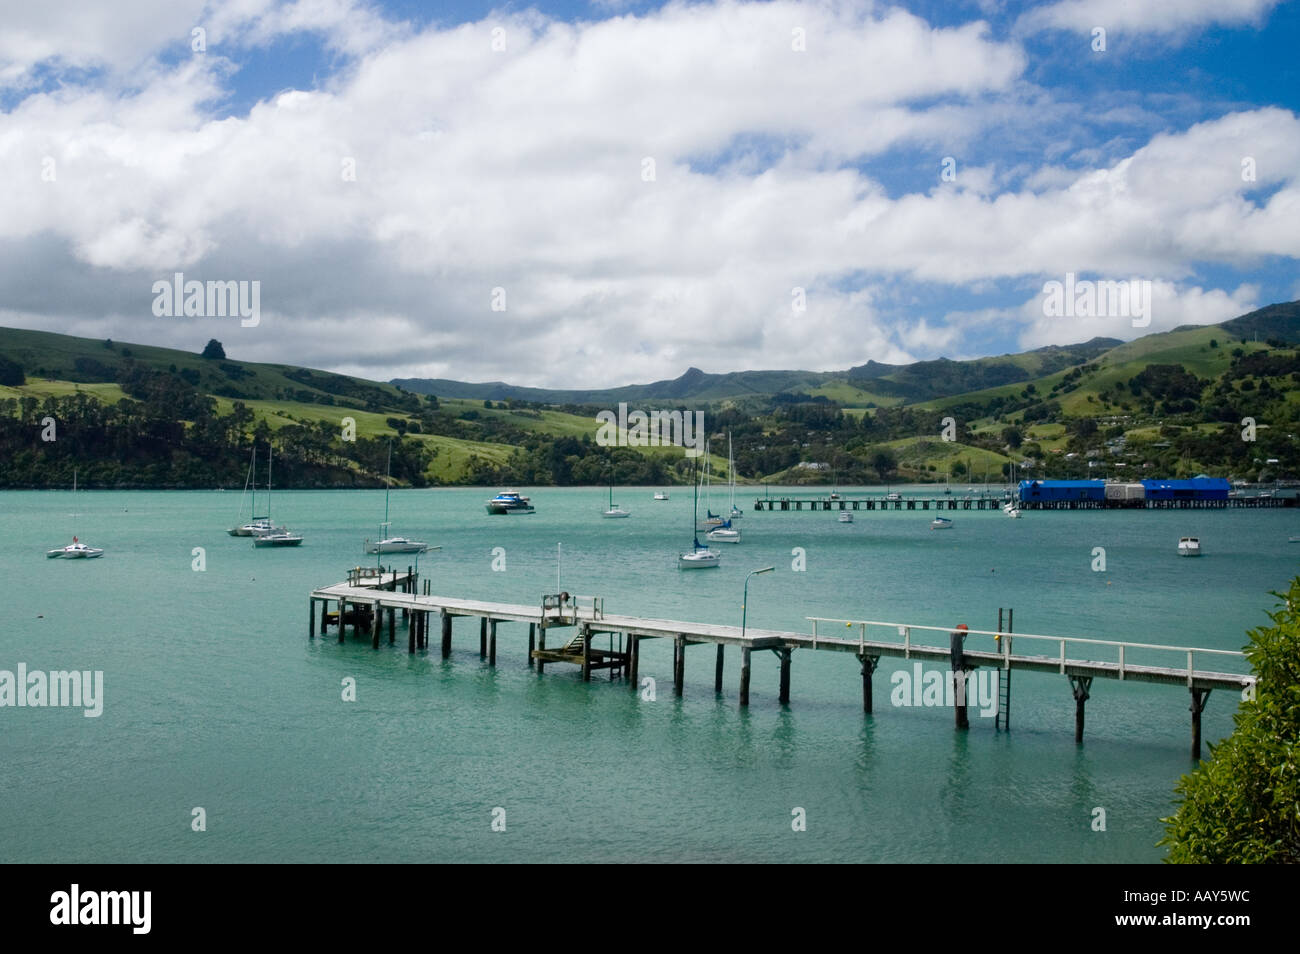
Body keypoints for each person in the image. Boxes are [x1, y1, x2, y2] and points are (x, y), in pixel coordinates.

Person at [950, 623, 971, 728]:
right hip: (957, 665)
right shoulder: (956, 636)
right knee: (959, 688)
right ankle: (962, 722)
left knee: (959, 688)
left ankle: (961, 722)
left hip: (957, 665)